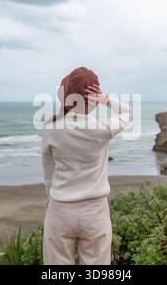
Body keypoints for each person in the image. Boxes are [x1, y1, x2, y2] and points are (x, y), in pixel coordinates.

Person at [41, 67, 132, 265]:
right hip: (95, 211)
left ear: (65, 96)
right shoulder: (103, 128)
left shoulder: (51, 127)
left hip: (61, 209)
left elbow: (48, 174)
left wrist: (52, 197)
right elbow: (127, 112)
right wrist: (104, 99)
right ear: (94, 98)